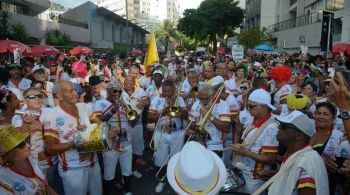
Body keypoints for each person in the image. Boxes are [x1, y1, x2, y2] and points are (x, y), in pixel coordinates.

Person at [43, 80, 103, 195]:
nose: (75, 94)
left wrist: (106, 133)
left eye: (75, 89)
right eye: (70, 91)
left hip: (93, 163)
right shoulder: (51, 116)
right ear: (59, 96)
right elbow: (50, 148)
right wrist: (75, 143)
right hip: (73, 169)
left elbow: (100, 125)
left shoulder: (83, 107)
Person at [253, 111, 329, 195]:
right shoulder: (293, 154)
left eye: (283, 126)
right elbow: (294, 174)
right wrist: (275, 173)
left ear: (299, 136)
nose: (278, 127)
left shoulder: (306, 162)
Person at [232, 89, 279, 194]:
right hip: (244, 174)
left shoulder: (271, 127)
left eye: (252, 106)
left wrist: (245, 152)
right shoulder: (254, 120)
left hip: (255, 179)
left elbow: (271, 159)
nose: (248, 109)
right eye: (248, 105)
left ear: (264, 107)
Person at [147, 79, 188, 193]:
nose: (167, 94)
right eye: (165, 91)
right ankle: (162, 180)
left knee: (176, 159)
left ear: (174, 90)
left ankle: (176, 181)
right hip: (161, 132)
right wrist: (164, 111)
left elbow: (186, 116)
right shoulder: (157, 99)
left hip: (177, 133)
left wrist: (177, 108)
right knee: (161, 160)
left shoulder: (179, 99)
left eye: (169, 91)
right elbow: (150, 118)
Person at [93, 81, 133, 195]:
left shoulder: (125, 103)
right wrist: (113, 109)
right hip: (110, 144)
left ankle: (128, 192)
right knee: (109, 174)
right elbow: (99, 120)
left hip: (126, 142)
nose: (118, 93)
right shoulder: (100, 103)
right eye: (115, 90)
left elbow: (133, 122)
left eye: (120, 90)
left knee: (127, 171)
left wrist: (129, 110)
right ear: (108, 90)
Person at [0, 125, 57, 195]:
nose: (28, 145)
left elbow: (46, 186)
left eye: (26, 141)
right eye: (21, 145)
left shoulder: (30, 159)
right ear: (9, 153)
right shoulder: (4, 178)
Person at [310, 102, 345, 193]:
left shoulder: (339, 137)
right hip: (305, 180)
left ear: (333, 118)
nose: (321, 116)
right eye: (318, 113)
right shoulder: (307, 131)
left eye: (325, 114)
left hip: (328, 184)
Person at [188, 83, 231, 155]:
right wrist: (190, 130)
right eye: (199, 98)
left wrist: (209, 115)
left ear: (213, 95)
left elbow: (226, 128)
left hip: (216, 146)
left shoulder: (223, 105)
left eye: (205, 98)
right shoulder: (196, 104)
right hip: (199, 143)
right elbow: (190, 123)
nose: (201, 101)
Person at [121, 75, 149, 177]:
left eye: (130, 82)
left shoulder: (140, 91)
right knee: (124, 150)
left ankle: (133, 169)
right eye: (126, 82)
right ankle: (124, 172)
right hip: (124, 126)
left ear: (134, 83)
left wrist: (143, 102)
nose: (128, 84)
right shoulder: (120, 92)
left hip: (137, 125)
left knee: (136, 149)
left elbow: (146, 99)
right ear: (124, 82)